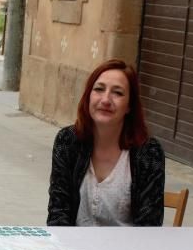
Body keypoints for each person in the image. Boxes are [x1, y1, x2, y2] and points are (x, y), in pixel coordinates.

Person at [47, 59, 165, 226]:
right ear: (88, 97)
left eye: (117, 92)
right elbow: (58, 213)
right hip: (75, 248)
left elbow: (149, 225)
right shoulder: (68, 141)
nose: (106, 100)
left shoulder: (148, 152)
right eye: (99, 89)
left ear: (130, 106)